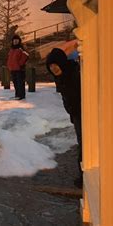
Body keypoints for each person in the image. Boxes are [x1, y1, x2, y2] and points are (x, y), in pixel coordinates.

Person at [46, 48, 83, 188]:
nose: (53, 68)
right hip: (76, 114)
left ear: (62, 62)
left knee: (86, 145)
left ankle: (84, 176)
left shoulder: (75, 74)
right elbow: (67, 98)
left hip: (84, 113)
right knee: (82, 143)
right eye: (50, 66)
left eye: (55, 64)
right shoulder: (60, 77)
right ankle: (83, 175)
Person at [6, 34, 28, 100]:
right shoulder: (11, 49)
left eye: (17, 40)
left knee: (20, 83)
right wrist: (9, 65)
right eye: (14, 40)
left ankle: (21, 95)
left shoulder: (20, 49)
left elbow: (25, 56)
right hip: (13, 69)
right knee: (15, 83)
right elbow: (10, 58)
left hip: (19, 69)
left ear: (19, 41)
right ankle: (17, 95)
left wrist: (20, 64)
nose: (15, 41)